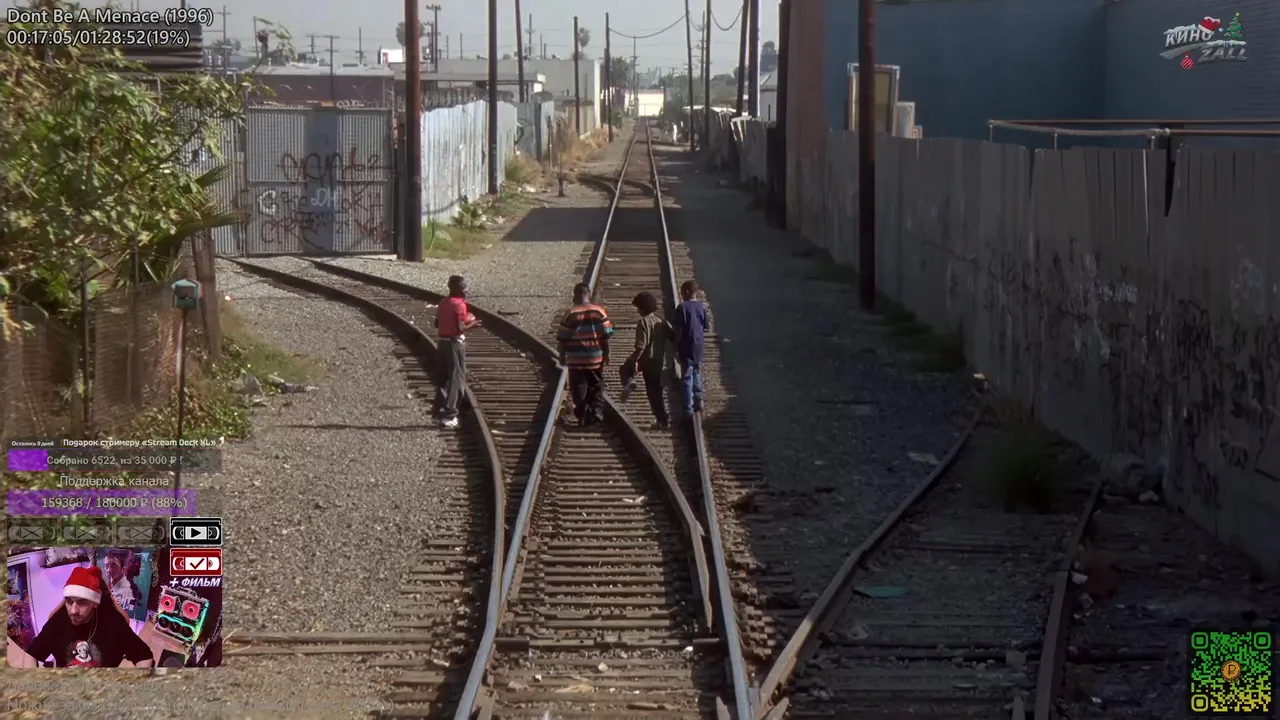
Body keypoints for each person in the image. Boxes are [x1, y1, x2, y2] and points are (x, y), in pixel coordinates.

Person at [12, 566, 154, 668]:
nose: (73, 610)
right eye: (69, 601)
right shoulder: (58, 621)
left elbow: (145, 657)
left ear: (95, 603)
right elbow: (30, 655)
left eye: (82, 602)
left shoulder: (113, 621)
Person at [557, 282, 614, 426]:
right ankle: (596, 411)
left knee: (578, 388)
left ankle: (582, 413)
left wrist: (562, 356)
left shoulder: (570, 314)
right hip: (595, 357)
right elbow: (606, 336)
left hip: (576, 359)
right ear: (588, 294)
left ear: (575, 296)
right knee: (596, 385)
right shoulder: (599, 312)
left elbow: (563, 338)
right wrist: (607, 354)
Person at [620, 291, 672, 429]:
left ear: (642, 309)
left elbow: (641, 347)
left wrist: (634, 361)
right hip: (659, 361)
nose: (637, 311)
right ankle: (662, 419)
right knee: (656, 391)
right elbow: (673, 337)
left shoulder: (643, 322)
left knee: (625, 368)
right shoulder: (661, 321)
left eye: (638, 308)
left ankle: (629, 382)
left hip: (647, 361)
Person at [434, 275, 478, 429]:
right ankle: (450, 414)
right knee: (456, 379)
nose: (466, 290)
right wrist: (473, 323)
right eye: (464, 288)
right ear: (458, 289)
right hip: (454, 344)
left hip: (442, 344)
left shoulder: (443, 302)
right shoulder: (459, 305)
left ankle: (439, 410)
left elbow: (436, 323)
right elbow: (460, 328)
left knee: (443, 379)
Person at [672, 280, 709, 417]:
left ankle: (688, 408)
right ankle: (699, 401)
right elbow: (706, 326)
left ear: (687, 292)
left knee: (687, 375)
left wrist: (675, 345)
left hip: (686, 346)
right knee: (697, 371)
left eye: (682, 292)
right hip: (699, 346)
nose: (681, 295)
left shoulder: (682, 308)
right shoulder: (701, 307)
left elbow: (679, 330)